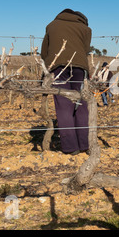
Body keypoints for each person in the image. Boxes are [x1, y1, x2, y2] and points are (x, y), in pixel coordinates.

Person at [41, 8, 92, 155]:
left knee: (64, 108)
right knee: (81, 106)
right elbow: (85, 49)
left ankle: (70, 148)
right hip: (80, 68)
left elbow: (45, 51)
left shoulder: (51, 25)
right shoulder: (86, 29)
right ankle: (85, 144)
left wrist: (46, 68)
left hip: (58, 68)